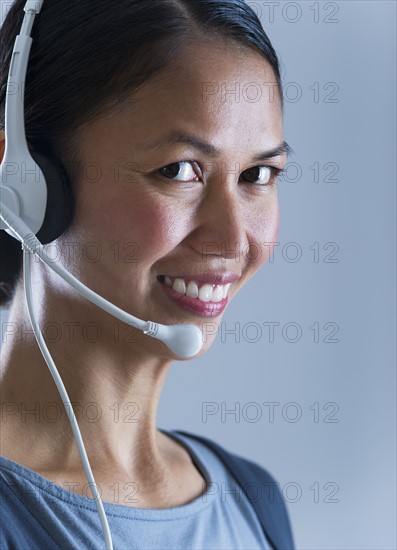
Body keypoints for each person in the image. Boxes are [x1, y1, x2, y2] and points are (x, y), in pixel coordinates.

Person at [0, 0, 294, 548]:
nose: (232, 240)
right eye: (179, 171)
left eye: (258, 174)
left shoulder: (251, 496)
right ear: (23, 184)